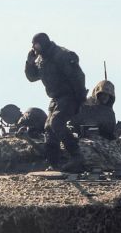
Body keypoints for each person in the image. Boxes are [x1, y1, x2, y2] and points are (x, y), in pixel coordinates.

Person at [25, 33, 87, 171]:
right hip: (56, 98)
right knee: (49, 128)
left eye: (36, 45)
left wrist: (80, 98)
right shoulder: (41, 59)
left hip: (70, 95)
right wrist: (29, 63)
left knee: (56, 122)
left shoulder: (61, 55)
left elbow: (77, 76)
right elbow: (32, 77)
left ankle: (76, 156)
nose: (34, 48)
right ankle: (54, 163)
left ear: (43, 43)